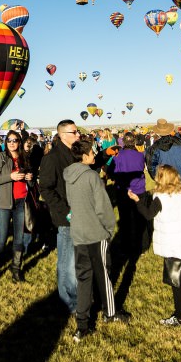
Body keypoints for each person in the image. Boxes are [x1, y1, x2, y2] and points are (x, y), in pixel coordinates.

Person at [64, 136, 128, 342]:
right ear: (84, 156)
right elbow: (103, 207)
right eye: (92, 152)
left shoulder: (69, 176)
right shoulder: (91, 177)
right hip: (95, 232)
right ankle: (111, 313)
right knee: (104, 275)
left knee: (83, 278)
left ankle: (82, 323)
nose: (94, 155)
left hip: (78, 233)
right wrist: (109, 229)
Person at [129, 165, 181, 331]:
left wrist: (137, 201)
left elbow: (148, 214)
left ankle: (180, 317)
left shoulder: (160, 198)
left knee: (177, 282)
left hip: (173, 244)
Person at [38, 120, 80, 315]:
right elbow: (45, 188)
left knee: (77, 259)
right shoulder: (52, 158)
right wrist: (65, 211)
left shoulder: (74, 154)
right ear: (63, 135)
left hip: (80, 213)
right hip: (67, 216)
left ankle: (77, 295)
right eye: (75, 132)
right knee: (67, 261)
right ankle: (68, 302)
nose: (78, 135)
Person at [0, 129, 35, 282]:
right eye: (9, 140)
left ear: (19, 142)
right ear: (5, 141)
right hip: (3, 203)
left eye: (15, 140)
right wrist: (11, 176)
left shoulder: (24, 157)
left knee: (19, 239)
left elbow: (32, 183)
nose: (12, 143)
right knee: (1, 239)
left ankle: (16, 269)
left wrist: (30, 177)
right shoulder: (0, 157)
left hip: (21, 202)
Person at [144, 119, 181, 216]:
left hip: (166, 185)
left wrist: (159, 179)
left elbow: (151, 167)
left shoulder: (154, 148)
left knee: (169, 215)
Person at [112, 130, 149, 259]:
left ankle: (125, 247)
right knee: (140, 220)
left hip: (124, 191)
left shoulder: (118, 156)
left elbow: (114, 172)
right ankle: (143, 247)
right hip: (139, 190)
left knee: (125, 221)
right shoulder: (140, 155)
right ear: (134, 142)